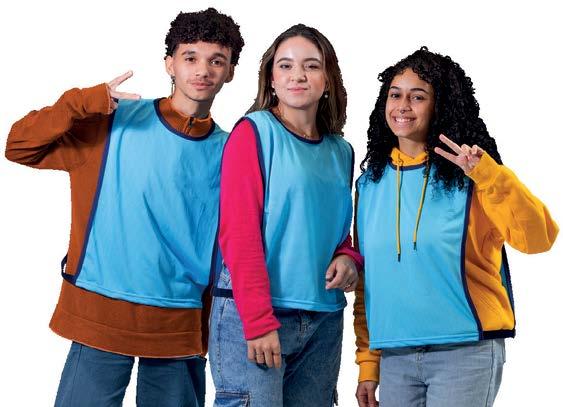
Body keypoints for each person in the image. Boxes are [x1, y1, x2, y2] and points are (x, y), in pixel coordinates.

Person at [4, 8, 244, 407]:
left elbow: (230, 244)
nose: (202, 70)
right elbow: (19, 146)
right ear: (169, 63)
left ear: (230, 71)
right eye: (190, 57)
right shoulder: (112, 122)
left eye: (216, 60)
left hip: (178, 323)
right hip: (101, 315)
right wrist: (80, 103)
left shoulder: (232, 150)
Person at [353, 47, 559, 407]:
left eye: (418, 97)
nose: (403, 106)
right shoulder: (370, 185)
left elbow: (538, 239)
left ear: (440, 106)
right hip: (396, 357)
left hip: (465, 352)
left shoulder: (473, 176)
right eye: (395, 95)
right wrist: (369, 364)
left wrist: (488, 175)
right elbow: (369, 283)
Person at [209, 24, 362, 406]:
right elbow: (238, 233)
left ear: (328, 80)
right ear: (272, 79)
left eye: (311, 65)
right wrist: (258, 321)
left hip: (322, 319)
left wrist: (348, 257)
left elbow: (331, 228)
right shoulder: (253, 133)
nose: (298, 75)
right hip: (257, 313)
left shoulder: (341, 151)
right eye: (286, 65)